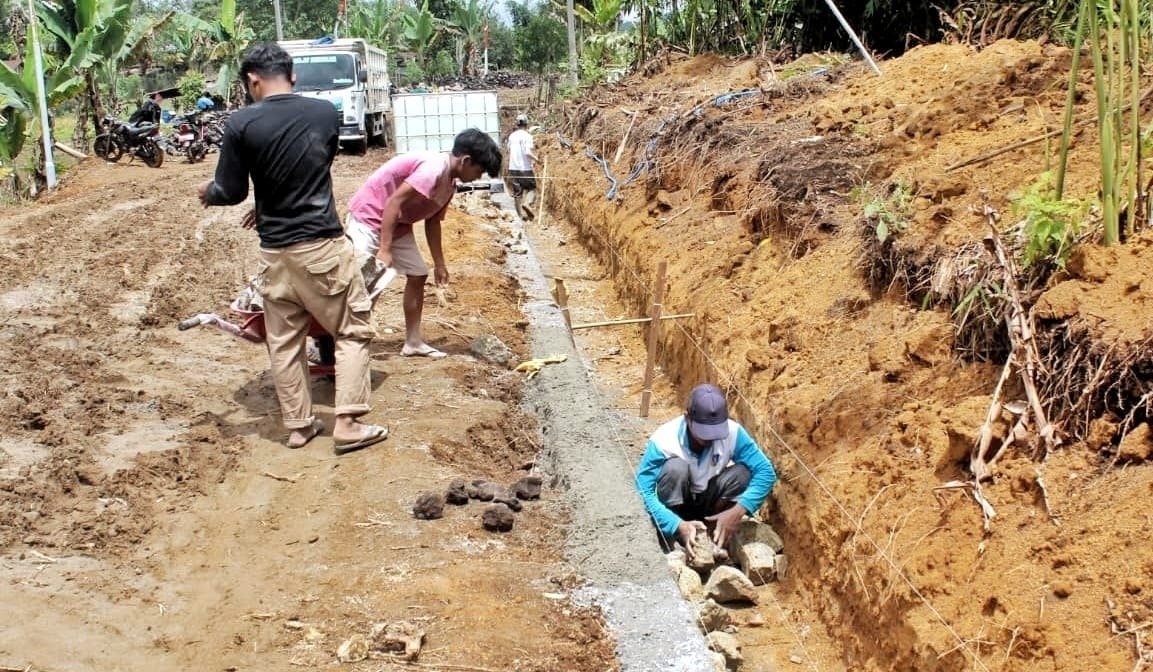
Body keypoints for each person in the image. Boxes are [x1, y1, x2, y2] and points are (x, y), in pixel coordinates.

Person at [197, 43, 387, 454]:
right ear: (293, 76)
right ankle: (348, 424)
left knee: (284, 343)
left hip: (274, 256)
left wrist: (208, 192)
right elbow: (312, 165)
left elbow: (230, 191)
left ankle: (300, 426)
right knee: (352, 330)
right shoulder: (324, 113)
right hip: (321, 249)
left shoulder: (241, 123)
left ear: (252, 81)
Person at [345, 129, 502, 359]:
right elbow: (393, 202)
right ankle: (343, 343)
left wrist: (440, 264)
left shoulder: (450, 184)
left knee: (418, 273)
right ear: (466, 161)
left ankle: (413, 342)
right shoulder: (433, 169)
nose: (478, 178)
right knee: (365, 282)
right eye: (479, 171)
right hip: (369, 219)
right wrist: (385, 249)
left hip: (398, 225)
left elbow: (433, 222)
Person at [635, 384, 777, 556]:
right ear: (687, 418)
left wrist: (737, 511)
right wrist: (675, 524)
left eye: (716, 432)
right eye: (704, 434)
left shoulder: (733, 433)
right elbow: (642, 490)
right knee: (675, 468)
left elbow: (765, 472)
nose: (710, 439)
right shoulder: (663, 439)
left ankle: (714, 531)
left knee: (743, 473)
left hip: (710, 501)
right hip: (678, 505)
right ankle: (676, 538)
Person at [506, 114, 538, 219]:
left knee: (517, 193)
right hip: (525, 168)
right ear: (526, 124)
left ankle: (520, 217)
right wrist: (536, 159)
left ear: (517, 124)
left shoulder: (512, 136)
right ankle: (527, 203)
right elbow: (527, 152)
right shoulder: (527, 136)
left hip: (513, 168)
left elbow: (509, 150)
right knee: (532, 188)